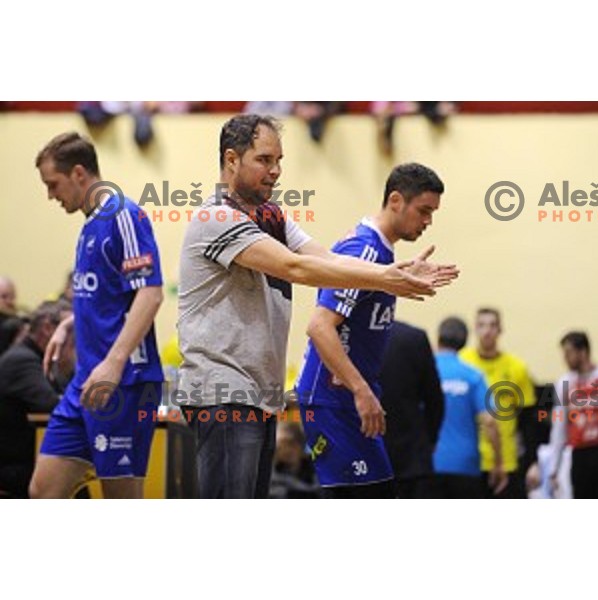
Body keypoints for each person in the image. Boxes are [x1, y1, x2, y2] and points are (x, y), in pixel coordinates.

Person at [177, 115, 458, 499]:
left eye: (279, 160)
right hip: (225, 391)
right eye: (264, 160)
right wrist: (383, 279)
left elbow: (328, 260)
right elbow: (298, 268)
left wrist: (393, 270)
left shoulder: (272, 217)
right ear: (231, 160)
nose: (275, 171)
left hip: (259, 393)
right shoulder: (217, 217)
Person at [295, 163, 459, 498]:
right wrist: (361, 391)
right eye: (424, 210)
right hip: (332, 400)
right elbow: (319, 327)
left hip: (345, 399)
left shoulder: (381, 254)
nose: (428, 221)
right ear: (396, 200)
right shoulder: (364, 250)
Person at [30, 132, 164, 499]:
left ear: (77, 173)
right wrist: (70, 323)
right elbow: (109, 297)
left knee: (120, 499)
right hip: (85, 382)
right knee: (42, 491)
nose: (50, 195)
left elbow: (150, 294)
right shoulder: (90, 224)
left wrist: (113, 364)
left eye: (52, 184)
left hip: (123, 383)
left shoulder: (123, 215)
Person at [460, 308, 536, 498]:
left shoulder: (517, 367)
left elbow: (528, 421)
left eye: (493, 325)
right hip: (471, 460)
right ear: (475, 329)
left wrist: (533, 462)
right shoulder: (463, 362)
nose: (487, 331)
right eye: (482, 325)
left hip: (507, 461)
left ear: (500, 330)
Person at [0, 300, 73, 498]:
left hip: (27, 456)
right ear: (48, 328)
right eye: (70, 330)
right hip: (13, 465)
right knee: (74, 474)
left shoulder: (38, 358)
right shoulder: (21, 360)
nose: (75, 338)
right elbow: (53, 404)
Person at [433, 317, 506, 499]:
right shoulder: (473, 376)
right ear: (464, 343)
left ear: (438, 338)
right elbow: (490, 421)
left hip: (428, 463)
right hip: (465, 464)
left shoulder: (423, 372)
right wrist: (498, 463)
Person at [379, 321, 444, 498]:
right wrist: (429, 440)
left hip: (363, 453)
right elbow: (434, 398)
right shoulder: (414, 338)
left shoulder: (345, 335)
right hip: (411, 455)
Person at [534, 332, 598, 498]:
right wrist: (554, 468)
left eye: (568, 353)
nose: (565, 358)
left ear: (583, 352)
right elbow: (559, 428)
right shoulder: (565, 383)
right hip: (580, 453)